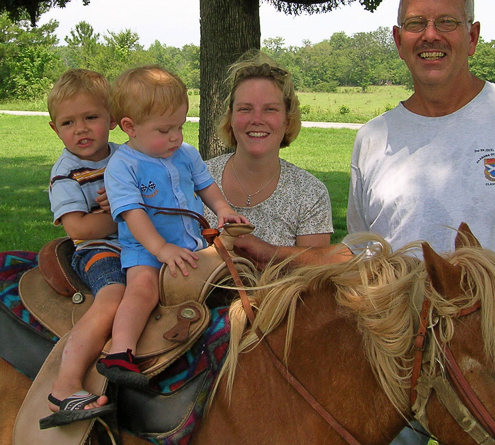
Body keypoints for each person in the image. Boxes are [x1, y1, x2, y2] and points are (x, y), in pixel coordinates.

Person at [238, 0, 495, 426]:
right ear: (398, 40)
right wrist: (269, 252)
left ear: (473, 36)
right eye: (417, 24)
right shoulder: (374, 138)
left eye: (447, 22)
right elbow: (360, 256)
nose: (430, 36)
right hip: (392, 366)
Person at [100, 65, 249, 388]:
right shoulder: (123, 167)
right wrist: (160, 249)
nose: (176, 137)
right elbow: (132, 214)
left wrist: (224, 209)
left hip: (192, 245)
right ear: (130, 127)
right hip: (146, 251)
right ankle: (120, 351)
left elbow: (206, 186)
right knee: (143, 290)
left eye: (180, 127)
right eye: (165, 130)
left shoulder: (186, 154)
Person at [41, 68, 121, 429]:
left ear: (113, 120)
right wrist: (127, 213)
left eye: (91, 117)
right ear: (55, 129)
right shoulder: (66, 174)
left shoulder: (127, 157)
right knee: (114, 295)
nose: (82, 129)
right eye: (69, 122)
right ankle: (66, 384)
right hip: (98, 247)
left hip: (141, 242)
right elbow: (78, 229)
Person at [204, 50, 333, 247]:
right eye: (245, 109)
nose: (256, 120)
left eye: (270, 109)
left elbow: (314, 270)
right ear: (230, 118)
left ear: (287, 121)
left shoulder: (310, 194)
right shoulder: (196, 179)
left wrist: (266, 253)